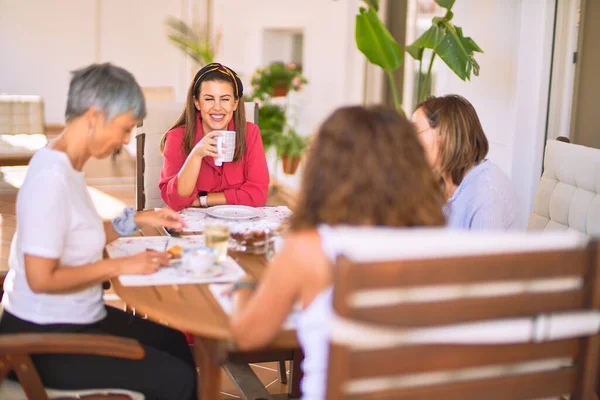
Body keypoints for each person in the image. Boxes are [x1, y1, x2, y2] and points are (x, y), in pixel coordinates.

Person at [0, 63, 196, 400]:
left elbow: (82, 234)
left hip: (75, 318)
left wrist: (139, 218)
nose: (124, 141)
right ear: (94, 115)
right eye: (123, 129)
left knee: (175, 342)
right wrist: (121, 266)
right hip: (43, 340)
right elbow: (40, 278)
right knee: (178, 379)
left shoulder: (67, 165)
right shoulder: (51, 179)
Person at [228, 106, 446, 400]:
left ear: (325, 168)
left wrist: (243, 285)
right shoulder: (433, 243)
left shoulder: (310, 248)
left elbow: (246, 337)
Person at [159, 62, 269, 211]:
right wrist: (196, 155)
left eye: (225, 99)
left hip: (238, 224)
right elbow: (176, 201)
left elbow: (257, 196)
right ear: (197, 102)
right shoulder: (177, 137)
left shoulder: (250, 133)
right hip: (191, 227)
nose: (217, 107)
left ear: (235, 103)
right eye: (209, 99)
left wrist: (202, 200)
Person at [412, 94, 521, 230]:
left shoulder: (487, 193)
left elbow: (483, 251)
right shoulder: (441, 184)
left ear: (445, 132)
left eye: (415, 130)